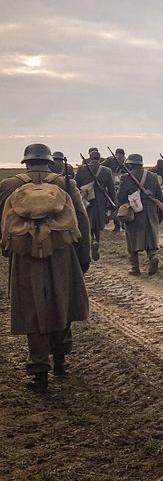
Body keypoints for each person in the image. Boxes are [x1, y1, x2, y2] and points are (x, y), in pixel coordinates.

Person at [0, 144, 91, 393]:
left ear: (26, 163)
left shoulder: (9, 185)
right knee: (63, 303)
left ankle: (39, 371)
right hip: (61, 253)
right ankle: (61, 360)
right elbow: (82, 219)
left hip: (25, 256)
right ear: (50, 162)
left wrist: (7, 249)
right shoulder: (65, 184)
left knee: (32, 309)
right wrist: (84, 256)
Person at [116, 153, 163, 276]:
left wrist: (120, 215)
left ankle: (135, 268)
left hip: (134, 211)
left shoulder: (126, 177)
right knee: (150, 238)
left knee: (132, 239)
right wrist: (159, 215)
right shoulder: (153, 176)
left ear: (130, 164)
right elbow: (159, 195)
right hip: (151, 210)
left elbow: (120, 197)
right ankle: (153, 256)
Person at [75, 147, 116, 261]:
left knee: (86, 223)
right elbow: (112, 190)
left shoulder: (82, 169)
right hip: (100, 201)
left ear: (90, 158)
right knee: (97, 225)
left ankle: (92, 241)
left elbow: (76, 185)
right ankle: (96, 240)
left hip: (86, 200)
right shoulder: (106, 171)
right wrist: (113, 206)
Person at [102, 147, 126, 232]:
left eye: (120, 155)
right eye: (118, 155)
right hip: (110, 185)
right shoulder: (110, 160)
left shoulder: (126, 163)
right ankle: (107, 218)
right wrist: (110, 173)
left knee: (119, 205)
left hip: (121, 185)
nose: (119, 156)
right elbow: (101, 167)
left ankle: (118, 224)